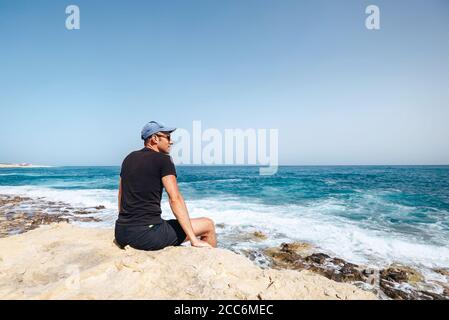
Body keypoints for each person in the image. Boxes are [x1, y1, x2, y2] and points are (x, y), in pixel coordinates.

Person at [114, 121, 217, 250]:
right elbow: (175, 199)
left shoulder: (128, 158)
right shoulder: (163, 160)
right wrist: (193, 239)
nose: (171, 142)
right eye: (167, 137)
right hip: (146, 236)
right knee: (208, 225)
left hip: (121, 232)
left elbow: (121, 194)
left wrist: (127, 223)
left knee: (163, 223)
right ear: (155, 139)